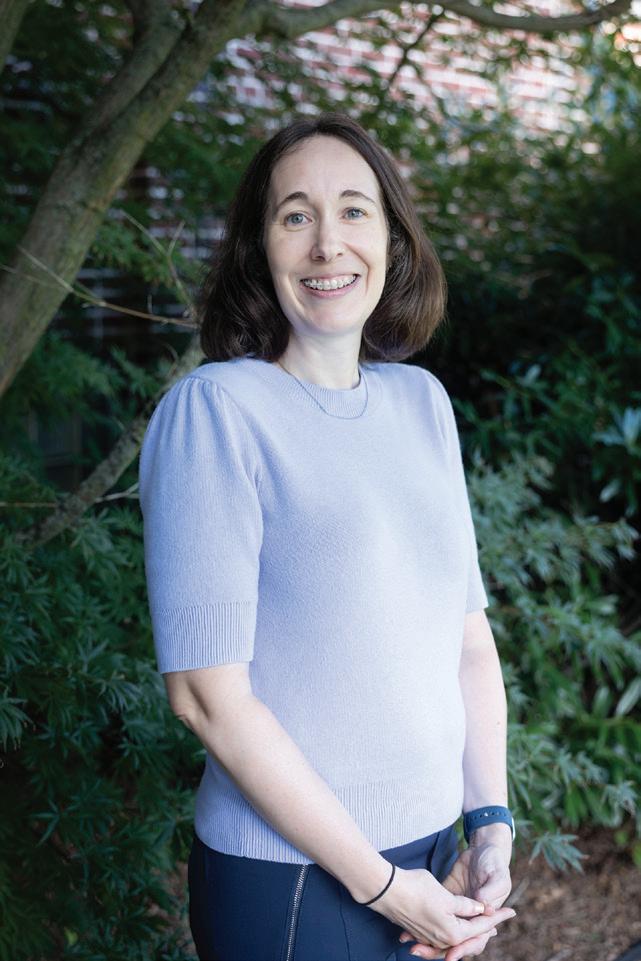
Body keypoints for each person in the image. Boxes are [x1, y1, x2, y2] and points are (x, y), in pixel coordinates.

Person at [138, 112, 517, 961]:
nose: (327, 243)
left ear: (391, 239)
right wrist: (382, 886)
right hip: (294, 882)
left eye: (353, 210)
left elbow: (465, 642)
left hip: (436, 856)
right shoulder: (215, 411)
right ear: (257, 248)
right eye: (295, 215)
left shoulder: (423, 404)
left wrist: (489, 822)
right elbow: (205, 696)